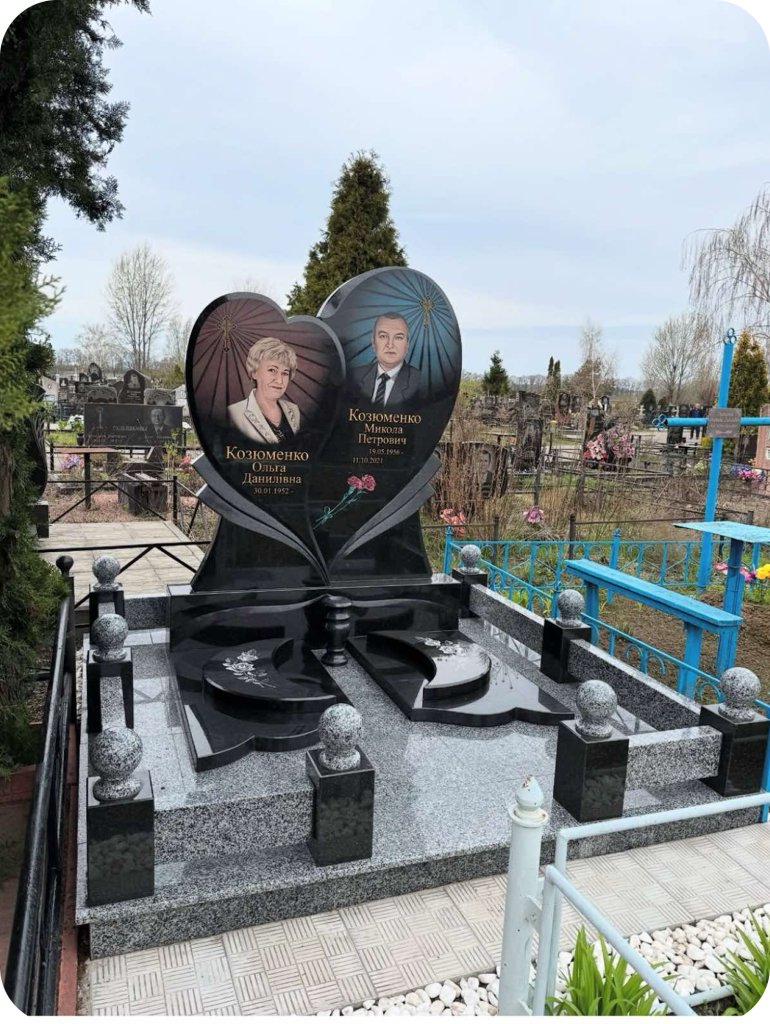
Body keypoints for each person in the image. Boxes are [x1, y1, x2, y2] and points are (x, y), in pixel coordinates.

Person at [227, 337, 301, 443]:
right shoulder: (234, 413)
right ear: (254, 372)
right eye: (272, 370)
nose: (280, 380)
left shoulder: (293, 410)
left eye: (285, 373)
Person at [351, 312, 422, 409]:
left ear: (407, 344)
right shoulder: (353, 377)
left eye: (398, 337)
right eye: (383, 336)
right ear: (373, 342)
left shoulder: (421, 382)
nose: (390, 345)